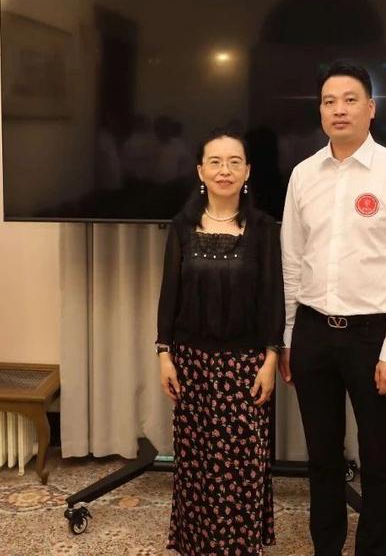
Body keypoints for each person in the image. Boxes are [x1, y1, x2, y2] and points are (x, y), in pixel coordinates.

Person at [280, 60, 386, 556]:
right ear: (320, 112)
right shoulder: (303, 175)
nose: (339, 110)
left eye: (349, 100)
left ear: (371, 108)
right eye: (329, 101)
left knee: (378, 458)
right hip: (313, 332)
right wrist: (289, 337)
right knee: (322, 456)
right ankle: (326, 547)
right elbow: (291, 262)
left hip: (373, 336)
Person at [156, 127, 285, 556]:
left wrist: (271, 358)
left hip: (244, 364)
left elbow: (272, 296)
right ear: (201, 171)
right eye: (215, 162)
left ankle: (240, 546)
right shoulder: (181, 226)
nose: (224, 170)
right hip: (190, 362)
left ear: (247, 171)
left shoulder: (263, 228)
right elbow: (169, 295)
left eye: (234, 162)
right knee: (195, 460)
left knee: (242, 463)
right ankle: (197, 544)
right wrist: (164, 355)